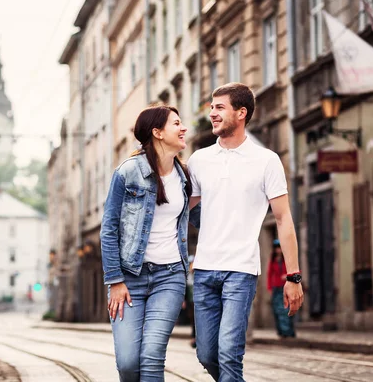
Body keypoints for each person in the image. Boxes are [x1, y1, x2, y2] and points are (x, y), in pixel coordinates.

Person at [187, 82, 304, 381]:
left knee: (228, 353)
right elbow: (191, 212)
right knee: (207, 354)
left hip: (240, 270)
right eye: (212, 107)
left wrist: (293, 277)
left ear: (241, 113)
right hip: (204, 271)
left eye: (219, 108)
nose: (212, 114)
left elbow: (283, 219)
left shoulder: (266, 160)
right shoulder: (199, 160)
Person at [101, 105, 192, 381]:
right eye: (176, 123)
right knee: (128, 363)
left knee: (151, 357)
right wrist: (115, 280)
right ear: (158, 132)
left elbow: (201, 216)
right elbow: (109, 228)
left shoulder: (185, 176)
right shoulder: (127, 172)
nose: (183, 128)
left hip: (170, 277)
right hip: (129, 279)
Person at [267, 239, 296, 338]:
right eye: (276, 248)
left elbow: (295, 272)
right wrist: (270, 288)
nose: (278, 250)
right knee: (277, 310)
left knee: (286, 310)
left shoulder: (287, 259)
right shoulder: (273, 260)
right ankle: (282, 332)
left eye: (279, 248)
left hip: (287, 288)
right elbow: (269, 274)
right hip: (276, 288)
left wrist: (287, 277)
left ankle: (288, 331)